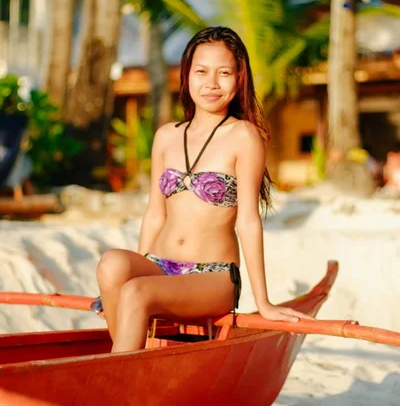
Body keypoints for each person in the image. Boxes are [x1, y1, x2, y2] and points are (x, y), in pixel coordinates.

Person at [94, 26, 311, 353]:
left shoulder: (243, 136)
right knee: (112, 264)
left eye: (224, 72)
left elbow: (249, 221)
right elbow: (155, 213)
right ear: (186, 75)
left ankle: (117, 380)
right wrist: (138, 270)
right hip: (161, 266)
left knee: (137, 293)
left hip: (213, 276)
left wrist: (263, 301)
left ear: (239, 80)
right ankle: (133, 355)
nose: (212, 83)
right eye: (201, 71)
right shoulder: (166, 136)